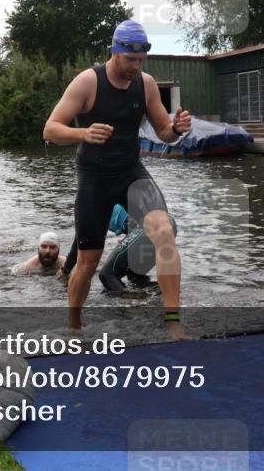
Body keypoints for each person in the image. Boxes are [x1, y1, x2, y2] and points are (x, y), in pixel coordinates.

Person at [43, 19, 191, 340]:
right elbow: (51, 129)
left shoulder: (146, 83)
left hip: (130, 172)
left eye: (141, 61)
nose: (135, 67)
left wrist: (177, 129)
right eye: (130, 60)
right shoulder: (88, 82)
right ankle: (73, 329)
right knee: (86, 264)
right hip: (94, 178)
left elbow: (164, 132)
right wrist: (83, 132)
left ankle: (173, 324)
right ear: (115, 51)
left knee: (164, 232)